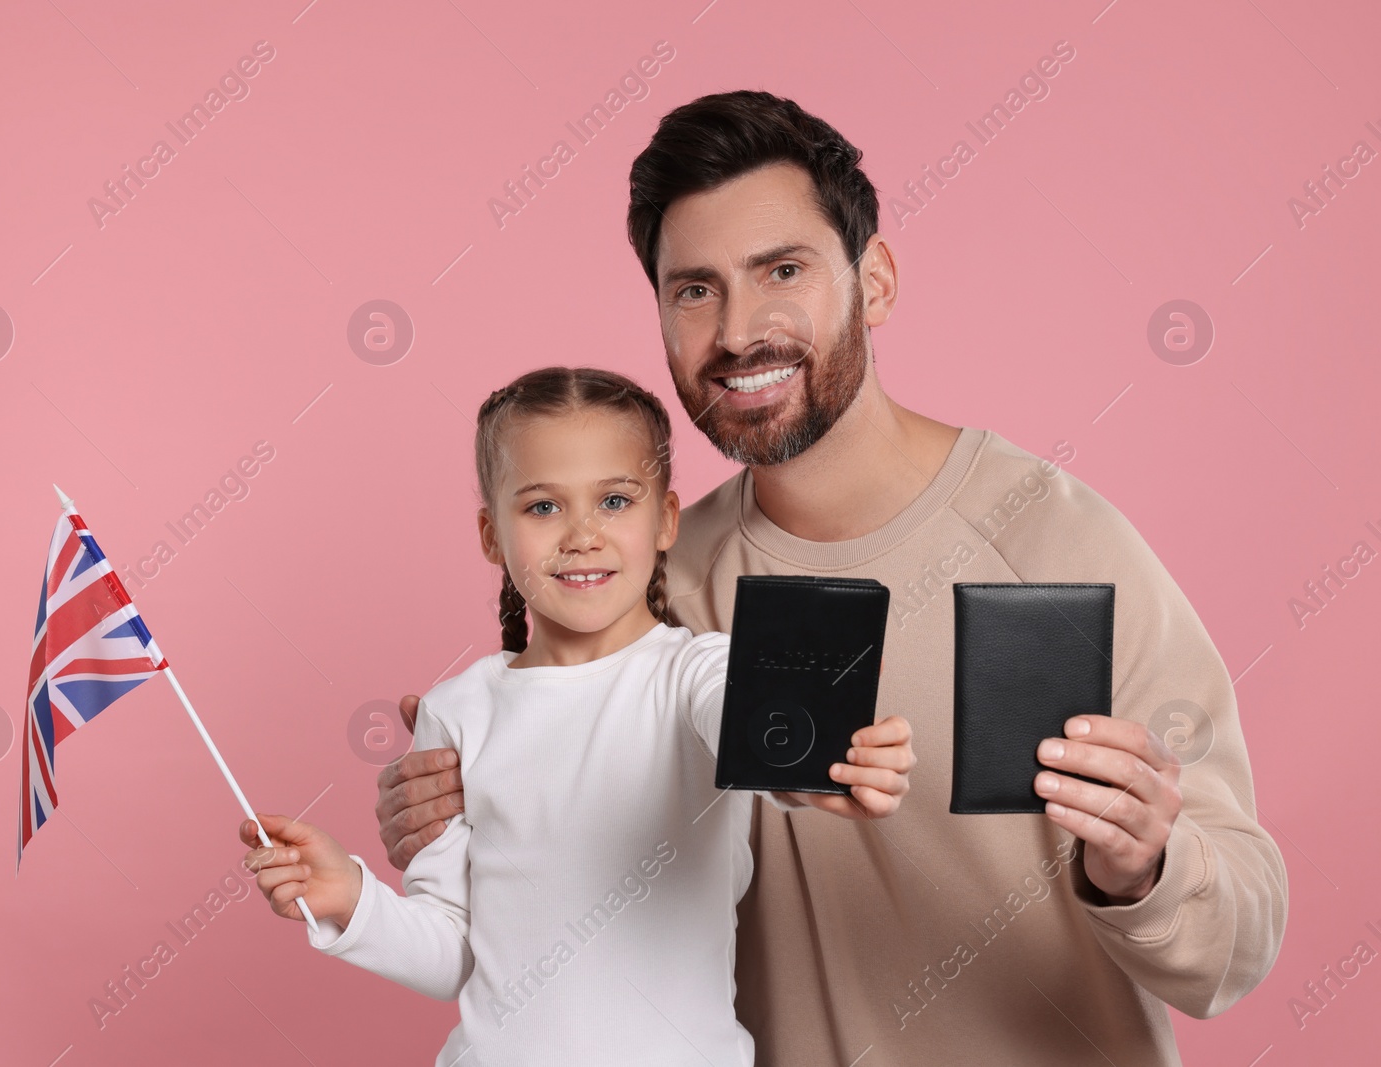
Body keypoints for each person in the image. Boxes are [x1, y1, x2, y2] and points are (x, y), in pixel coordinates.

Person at [375, 91, 1288, 1065]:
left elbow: (1236, 945)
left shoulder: (1061, 545)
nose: (736, 331)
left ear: (876, 279)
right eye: (693, 290)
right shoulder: (648, 590)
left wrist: (1140, 862)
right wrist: (467, 820)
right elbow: (568, 916)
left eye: (782, 271)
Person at [239, 366, 915, 1066]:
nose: (583, 534)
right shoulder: (457, 711)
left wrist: (826, 763)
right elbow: (454, 955)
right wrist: (349, 900)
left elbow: (751, 727)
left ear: (666, 521)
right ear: (491, 535)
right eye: (542, 507)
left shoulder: (697, 673)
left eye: (616, 500)